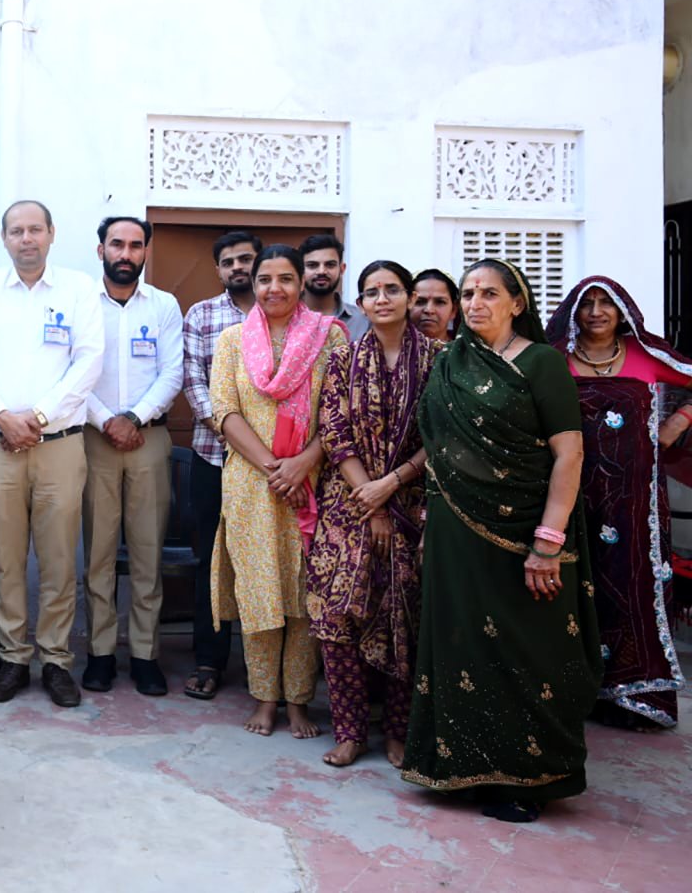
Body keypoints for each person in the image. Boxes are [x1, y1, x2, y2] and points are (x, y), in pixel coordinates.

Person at [402, 260, 602, 824]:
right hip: (454, 534)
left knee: (528, 650)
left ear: (518, 302)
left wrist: (548, 541)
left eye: (489, 293)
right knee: (461, 646)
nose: (475, 303)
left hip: (526, 535)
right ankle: (460, 767)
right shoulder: (449, 363)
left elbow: (569, 453)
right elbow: (441, 450)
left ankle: (526, 778)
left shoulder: (542, 362)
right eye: (468, 293)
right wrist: (430, 524)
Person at [0, 199, 104, 708]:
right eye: (16, 231)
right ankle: (13, 659)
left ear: (51, 233)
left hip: (59, 445)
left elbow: (88, 362)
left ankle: (57, 660)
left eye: (35, 229)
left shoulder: (78, 290)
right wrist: (3, 416)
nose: (27, 239)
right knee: (5, 559)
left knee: (60, 560)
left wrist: (36, 417)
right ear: (4, 238)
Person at [209, 243, 346, 738]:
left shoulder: (329, 336)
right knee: (260, 590)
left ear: (301, 283)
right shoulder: (232, 340)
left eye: (285, 278)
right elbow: (224, 411)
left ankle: (299, 703)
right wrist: (275, 469)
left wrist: (302, 464)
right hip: (252, 484)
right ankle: (265, 698)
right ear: (253, 283)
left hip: (312, 482)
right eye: (265, 279)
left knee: (305, 595)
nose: (274, 288)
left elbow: (340, 412)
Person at [310, 261, 443, 768]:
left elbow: (442, 435)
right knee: (338, 614)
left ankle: (397, 731)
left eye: (392, 290)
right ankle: (348, 730)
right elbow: (334, 432)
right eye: (371, 292)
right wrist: (371, 497)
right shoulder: (343, 358)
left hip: (412, 503)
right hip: (349, 504)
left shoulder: (440, 360)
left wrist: (392, 485)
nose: (382, 299)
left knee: (405, 615)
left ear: (409, 297)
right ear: (361, 303)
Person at [545, 276, 690, 729]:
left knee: (633, 585)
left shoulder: (648, 355)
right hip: (572, 498)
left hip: (637, 502)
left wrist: (678, 422)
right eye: (586, 303)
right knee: (577, 587)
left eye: (605, 303)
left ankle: (636, 696)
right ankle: (576, 692)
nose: (595, 312)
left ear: (623, 311)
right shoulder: (554, 359)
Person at [81, 216, 183, 696]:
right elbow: (70, 372)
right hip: (93, 439)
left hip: (149, 440)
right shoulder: (81, 302)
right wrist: (108, 422)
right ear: (100, 249)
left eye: (135, 245)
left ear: (146, 252)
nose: (126, 253)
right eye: (117, 244)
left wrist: (135, 419)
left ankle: (145, 655)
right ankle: (100, 654)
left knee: (147, 553)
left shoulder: (163, 305)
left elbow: (172, 373)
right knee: (98, 554)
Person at [180, 230, 260, 701]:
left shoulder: (281, 314)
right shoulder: (202, 315)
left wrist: (261, 449)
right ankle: (208, 660)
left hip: (270, 467)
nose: (237, 267)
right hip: (213, 456)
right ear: (218, 270)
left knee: (262, 559)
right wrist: (237, 436)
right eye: (228, 261)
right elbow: (194, 384)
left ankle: (262, 666)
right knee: (210, 561)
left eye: (245, 259)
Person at [300, 233, 367, 339]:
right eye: (312, 265)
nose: (321, 271)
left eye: (330, 265)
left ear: (342, 269)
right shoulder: (285, 317)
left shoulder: (363, 321)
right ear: (300, 270)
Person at [408, 268, 459, 343]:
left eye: (440, 302)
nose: (429, 310)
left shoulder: (467, 349)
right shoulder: (392, 348)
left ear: (453, 310)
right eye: (419, 302)